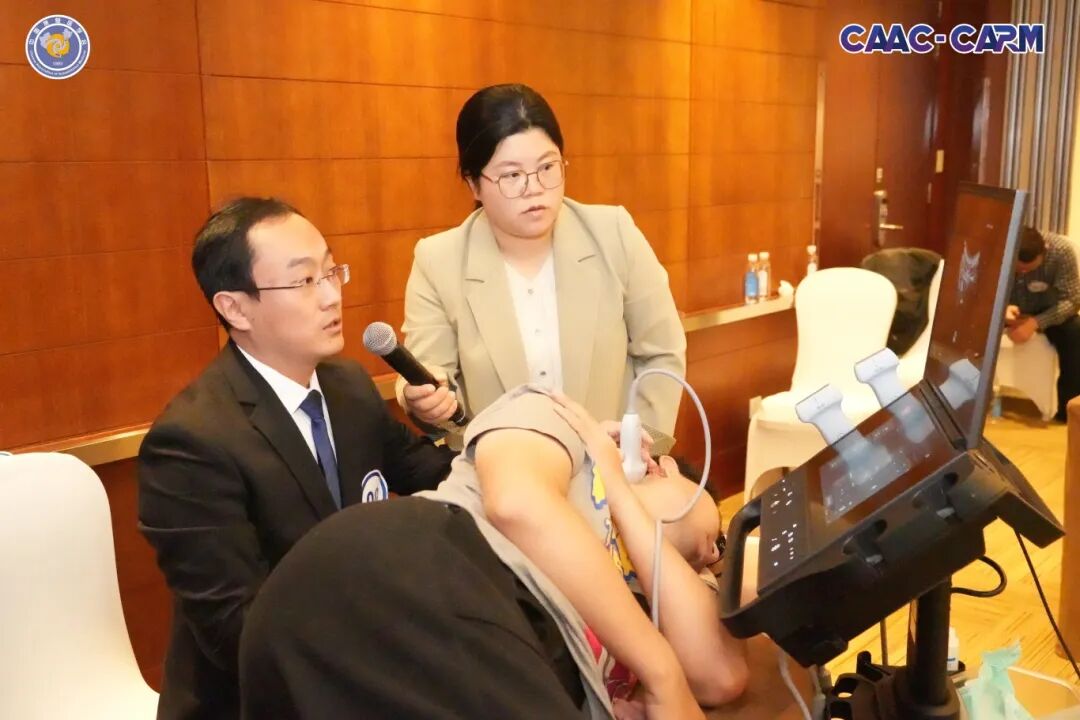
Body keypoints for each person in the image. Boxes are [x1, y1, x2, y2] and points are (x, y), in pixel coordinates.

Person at [239, 386, 747, 720]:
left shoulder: (627, 612)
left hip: (464, 644)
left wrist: (627, 506)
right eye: (720, 538)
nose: (711, 557)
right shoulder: (560, 423)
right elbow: (517, 505)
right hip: (404, 568)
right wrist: (661, 672)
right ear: (659, 466)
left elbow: (720, 677)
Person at [138, 198, 455, 720]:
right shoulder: (191, 443)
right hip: (261, 699)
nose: (332, 296)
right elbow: (238, 629)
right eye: (305, 281)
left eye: (331, 272)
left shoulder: (348, 387)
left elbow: (436, 477)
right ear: (235, 308)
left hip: (360, 665)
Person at [397, 83, 686, 443]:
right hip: (501, 472)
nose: (534, 187)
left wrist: (640, 453)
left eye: (547, 166)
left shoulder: (613, 234)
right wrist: (428, 403)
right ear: (473, 184)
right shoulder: (438, 262)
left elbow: (662, 354)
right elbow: (433, 381)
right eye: (512, 175)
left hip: (611, 466)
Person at [1005, 226, 1080, 421]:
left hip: (1047, 312)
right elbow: (980, 290)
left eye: (1028, 269)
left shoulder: (1061, 252)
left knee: (1075, 332)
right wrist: (1001, 309)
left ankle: (1068, 415)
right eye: (1018, 269)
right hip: (1006, 310)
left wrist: (1035, 323)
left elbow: (1071, 301)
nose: (1022, 273)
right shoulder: (1001, 248)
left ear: (1044, 252)